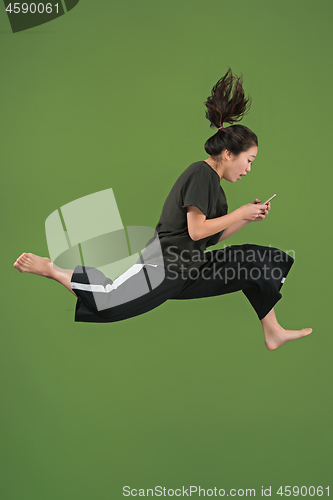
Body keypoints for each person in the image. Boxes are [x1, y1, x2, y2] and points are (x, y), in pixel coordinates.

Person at [13, 68, 312, 350]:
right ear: (227, 153)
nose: (249, 169)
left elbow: (208, 239)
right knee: (109, 302)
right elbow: (196, 230)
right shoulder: (201, 173)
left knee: (254, 261)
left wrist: (247, 218)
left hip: (190, 266)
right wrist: (239, 214)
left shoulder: (216, 189)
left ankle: (272, 330)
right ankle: (53, 269)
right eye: (249, 160)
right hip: (164, 266)